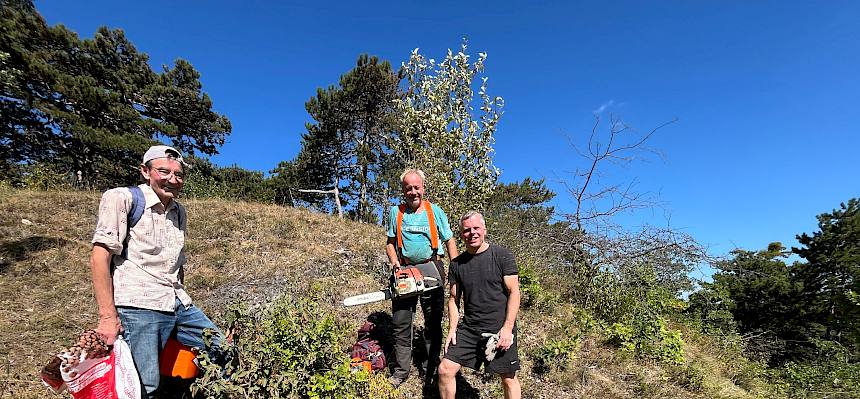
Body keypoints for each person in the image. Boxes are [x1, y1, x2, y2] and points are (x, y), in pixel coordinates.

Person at [90, 145, 227, 398]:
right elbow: (100, 256)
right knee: (145, 385)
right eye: (164, 171)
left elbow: (177, 262)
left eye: (178, 174)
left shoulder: (179, 211)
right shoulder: (122, 198)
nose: (172, 179)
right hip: (139, 305)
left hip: (177, 302)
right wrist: (108, 318)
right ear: (145, 171)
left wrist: (183, 297)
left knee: (221, 349)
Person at [385, 169, 459, 388]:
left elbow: (449, 240)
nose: (413, 191)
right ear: (403, 191)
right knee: (401, 322)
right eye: (408, 188)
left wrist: (456, 270)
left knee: (433, 322)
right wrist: (394, 261)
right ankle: (401, 371)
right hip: (405, 270)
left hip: (431, 267)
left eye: (416, 187)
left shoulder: (434, 211)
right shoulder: (395, 213)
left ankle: (431, 368)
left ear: (423, 188)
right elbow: (390, 243)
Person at [439, 211, 521, 399]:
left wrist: (507, 328)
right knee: (445, 369)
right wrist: (452, 330)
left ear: (484, 229)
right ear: (461, 234)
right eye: (467, 230)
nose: (472, 233)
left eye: (476, 228)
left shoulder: (502, 256)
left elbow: (514, 292)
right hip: (470, 328)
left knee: (508, 378)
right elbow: (453, 299)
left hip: (499, 327)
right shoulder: (457, 264)